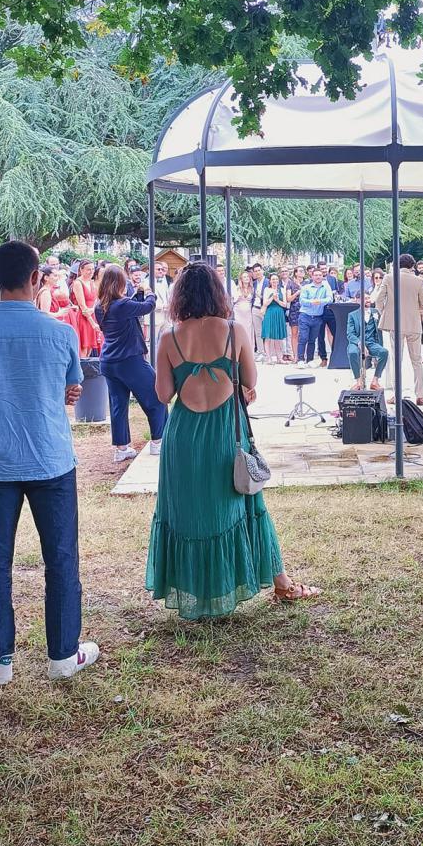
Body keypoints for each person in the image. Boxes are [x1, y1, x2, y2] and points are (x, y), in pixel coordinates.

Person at [0, 242, 98, 686]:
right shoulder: (59, 333)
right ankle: (62, 653)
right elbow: (69, 387)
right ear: (36, 277)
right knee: (61, 559)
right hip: (50, 458)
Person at [147, 262, 320, 617]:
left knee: (188, 511)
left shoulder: (168, 337)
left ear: (179, 296)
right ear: (217, 292)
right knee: (246, 504)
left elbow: (163, 395)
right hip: (227, 432)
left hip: (184, 437)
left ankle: (198, 592)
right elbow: (250, 380)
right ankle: (282, 584)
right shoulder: (234, 330)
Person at [94, 265, 168, 463]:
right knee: (157, 397)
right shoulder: (122, 305)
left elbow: (131, 306)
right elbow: (148, 306)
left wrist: (139, 292)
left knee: (118, 405)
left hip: (109, 362)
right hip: (130, 360)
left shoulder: (100, 306)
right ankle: (158, 442)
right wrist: (150, 291)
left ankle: (121, 448)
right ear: (120, 282)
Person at [373, 254, 423, 405]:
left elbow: (378, 300)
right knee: (417, 360)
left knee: (396, 359)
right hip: (413, 324)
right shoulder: (418, 281)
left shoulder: (389, 278)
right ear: (412, 266)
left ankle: (396, 395)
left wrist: (385, 313)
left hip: (395, 323)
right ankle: (420, 395)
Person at [347, 296, 388, 391]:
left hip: (371, 342)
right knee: (352, 352)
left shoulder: (375, 312)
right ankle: (358, 381)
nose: (368, 300)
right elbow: (350, 334)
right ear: (357, 300)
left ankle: (375, 381)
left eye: (369, 297)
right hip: (357, 342)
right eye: (365, 298)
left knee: (384, 352)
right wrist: (359, 343)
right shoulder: (352, 315)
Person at [67, 258, 102, 357]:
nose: (91, 272)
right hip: (83, 318)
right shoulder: (78, 283)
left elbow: (96, 300)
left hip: (92, 316)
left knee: (90, 348)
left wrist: (94, 312)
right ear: (81, 270)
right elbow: (82, 307)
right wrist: (93, 323)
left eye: (92, 269)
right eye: (88, 269)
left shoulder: (92, 282)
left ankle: (87, 372)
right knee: (83, 349)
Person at [260, 271, 290, 363]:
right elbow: (265, 303)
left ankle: (279, 358)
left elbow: (285, 304)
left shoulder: (282, 289)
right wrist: (272, 298)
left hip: (279, 312)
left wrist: (277, 300)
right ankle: (269, 358)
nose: (275, 281)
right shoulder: (266, 290)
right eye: (273, 279)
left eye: (276, 279)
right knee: (268, 335)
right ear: (270, 281)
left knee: (278, 336)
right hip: (269, 312)